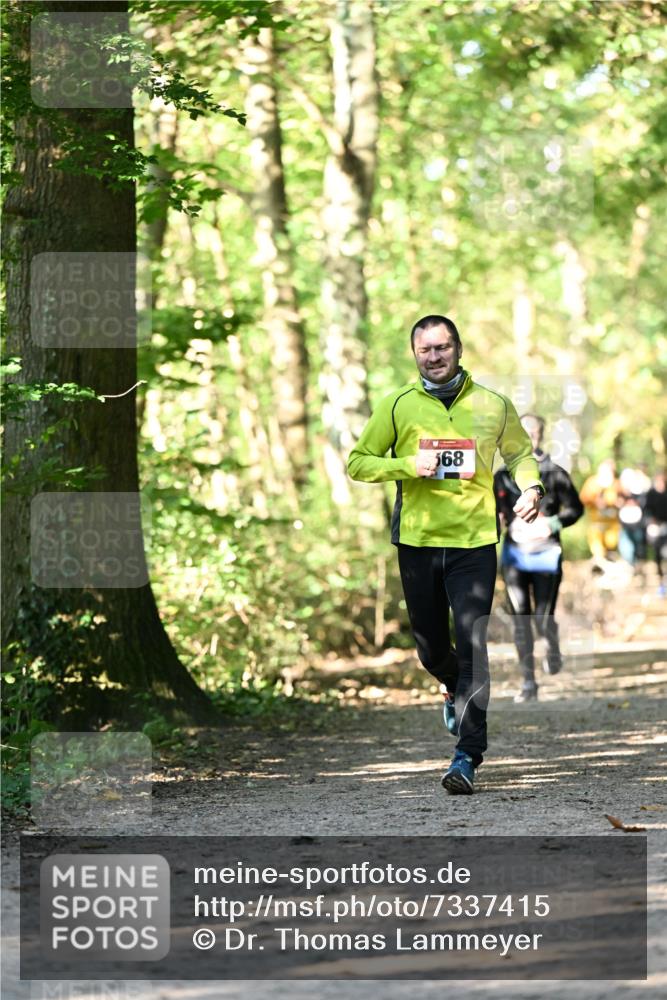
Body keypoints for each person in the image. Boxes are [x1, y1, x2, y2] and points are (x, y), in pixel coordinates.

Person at [347, 314, 544, 795]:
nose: (434, 356)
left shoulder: (493, 404)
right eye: (425, 350)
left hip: (474, 542)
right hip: (417, 541)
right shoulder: (397, 406)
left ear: (458, 348)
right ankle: (451, 682)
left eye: (443, 347)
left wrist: (532, 485)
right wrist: (405, 464)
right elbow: (357, 462)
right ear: (414, 355)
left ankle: (467, 755)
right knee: (432, 648)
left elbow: (519, 453)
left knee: (473, 642)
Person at [494, 414, 584, 702]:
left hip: (547, 555)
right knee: (521, 616)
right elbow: (493, 512)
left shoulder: (555, 473)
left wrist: (553, 524)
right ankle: (529, 682)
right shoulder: (501, 476)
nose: (527, 437)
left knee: (542, 618)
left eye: (532, 432)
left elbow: (576, 509)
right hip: (515, 555)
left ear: (540, 435)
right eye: (521, 432)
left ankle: (551, 643)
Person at [579, 459, 626, 565]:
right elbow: (583, 498)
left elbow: (624, 499)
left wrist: (617, 503)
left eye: (610, 470)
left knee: (611, 545)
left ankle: (610, 565)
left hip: (612, 523)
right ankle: (599, 565)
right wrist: (595, 501)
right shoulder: (592, 482)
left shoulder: (616, 483)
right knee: (597, 548)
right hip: (597, 522)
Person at [644, 471, 667, 596]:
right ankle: (661, 583)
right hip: (655, 529)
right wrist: (650, 521)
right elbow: (646, 510)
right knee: (657, 556)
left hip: (665, 527)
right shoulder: (651, 494)